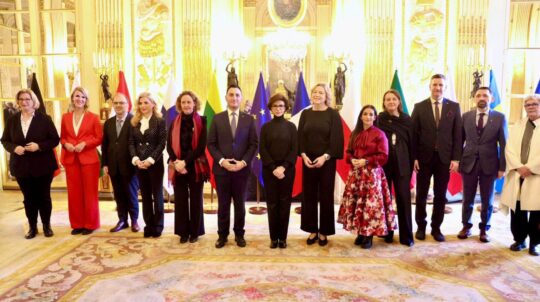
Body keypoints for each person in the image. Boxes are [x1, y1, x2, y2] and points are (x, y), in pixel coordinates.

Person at [1, 89, 59, 239]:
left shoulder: (45, 119)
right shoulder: (12, 120)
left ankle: (47, 226)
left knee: (44, 197)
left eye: (27, 99)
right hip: (21, 167)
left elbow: (54, 139)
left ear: (34, 102)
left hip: (43, 166)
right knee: (29, 198)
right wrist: (14, 148)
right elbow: (4, 140)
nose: (24, 102)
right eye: (21, 99)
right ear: (18, 102)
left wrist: (39, 146)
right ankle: (32, 227)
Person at [411, 74, 462, 242]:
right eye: (434, 84)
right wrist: (414, 157)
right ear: (430, 86)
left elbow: (457, 135)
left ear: (445, 87)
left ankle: (436, 228)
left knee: (441, 195)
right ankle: (420, 227)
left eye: (440, 85)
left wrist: (456, 159)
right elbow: (413, 135)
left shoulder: (454, 107)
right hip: (424, 158)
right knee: (421, 195)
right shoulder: (419, 107)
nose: (437, 88)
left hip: (444, 159)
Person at [338, 105, 396, 249]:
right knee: (358, 203)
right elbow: (348, 152)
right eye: (365, 114)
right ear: (361, 116)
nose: (368, 117)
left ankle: (369, 235)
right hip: (356, 174)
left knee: (370, 205)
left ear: (375, 117)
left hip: (372, 174)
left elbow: (384, 156)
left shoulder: (379, 134)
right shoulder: (355, 133)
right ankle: (360, 232)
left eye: (371, 114)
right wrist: (352, 160)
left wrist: (367, 161)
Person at [207, 85, 258, 248]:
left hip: (242, 171)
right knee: (223, 205)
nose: (234, 98)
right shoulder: (217, 118)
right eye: (231, 95)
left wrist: (243, 162)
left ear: (241, 98)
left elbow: (253, 144)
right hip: (222, 170)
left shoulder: (249, 119)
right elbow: (211, 144)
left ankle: (239, 234)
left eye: (237, 95)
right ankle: (222, 236)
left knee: (240, 205)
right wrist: (223, 161)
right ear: (226, 97)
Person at [458, 87, 507, 243]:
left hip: (490, 164)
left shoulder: (500, 117)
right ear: (474, 98)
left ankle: (484, 228)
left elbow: (504, 144)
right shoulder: (465, 116)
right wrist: (457, 161)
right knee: (467, 198)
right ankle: (466, 226)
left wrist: (502, 167)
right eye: (478, 95)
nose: (482, 98)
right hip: (468, 163)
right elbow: (459, 142)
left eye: (485, 95)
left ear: (491, 99)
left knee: (488, 199)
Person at [298, 83, 344, 246]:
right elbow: (300, 138)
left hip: (327, 162)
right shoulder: (305, 114)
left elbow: (337, 139)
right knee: (309, 196)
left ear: (326, 96)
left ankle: (324, 231)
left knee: (325, 196)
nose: (317, 95)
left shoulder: (332, 114)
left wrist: (325, 157)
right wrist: (303, 156)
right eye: (315, 92)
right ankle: (312, 230)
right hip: (308, 161)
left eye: (321, 92)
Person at [167, 91, 209, 244]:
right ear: (180, 105)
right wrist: (177, 162)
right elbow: (169, 146)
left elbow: (201, 147)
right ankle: (183, 232)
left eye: (189, 102)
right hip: (178, 166)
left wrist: (185, 162)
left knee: (196, 199)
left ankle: (195, 232)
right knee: (181, 200)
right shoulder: (174, 122)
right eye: (183, 102)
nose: (186, 105)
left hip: (195, 166)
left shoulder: (202, 121)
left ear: (194, 104)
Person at [500, 94, 540, 256]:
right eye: (527, 104)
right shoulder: (518, 125)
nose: (530, 107)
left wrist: (530, 167)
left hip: (536, 175)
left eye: (534, 104)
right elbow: (509, 148)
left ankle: (535, 243)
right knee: (517, 210)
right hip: (518, 174)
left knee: (537, 211)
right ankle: (520, 239)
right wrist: (518, 167)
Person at [61, 87, 103, 235]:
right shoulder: (65, 117)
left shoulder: (93, 117)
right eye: (77, 96)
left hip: (89, 159)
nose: (80, 99)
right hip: (71, 159)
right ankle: (77, 224)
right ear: (72, 98)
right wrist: (66, 144)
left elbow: (98, 138)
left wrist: (84, 144)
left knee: (90, 193)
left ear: (86, 100)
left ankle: (90, 224)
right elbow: (63, 137)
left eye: (83, 97)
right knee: (74, 193)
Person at [376, 89, 414, 246]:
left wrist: (414, 162)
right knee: (385, 199)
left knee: (403, 199)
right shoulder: (379, 119)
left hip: (403, 163)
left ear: (399, 101)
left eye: (394, 99)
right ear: (384, 103)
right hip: (384, 164)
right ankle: (387, 232)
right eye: (387, 99)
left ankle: (406, 236)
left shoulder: (407, 120)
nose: (391, 102)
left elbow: (413, 143)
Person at [260, 93, 298, 249]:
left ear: (286, 107)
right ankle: (273, 237)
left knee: (284, 204)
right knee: (272, 204)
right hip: (269, 171)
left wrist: (284, 167)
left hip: (287, 170)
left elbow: (294, 148)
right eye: (275, 106)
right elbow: (262, 149)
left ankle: (282, 238)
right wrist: (273, 168)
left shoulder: (291, 127)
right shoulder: (265, 127)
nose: (278, 108)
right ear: (270, 108)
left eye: (281, 105)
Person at [129, 92, 167, 238]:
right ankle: (148, 225)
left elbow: (161, 143)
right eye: (141, 103)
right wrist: (136, 159)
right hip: (139, 164)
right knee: (144, 196)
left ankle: (158, 226)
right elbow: (131, 143)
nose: (143, 105)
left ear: (153, 104)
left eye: (146, 102)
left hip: (155, 164)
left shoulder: (160, 121)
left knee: (157, 195)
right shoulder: (134, 122)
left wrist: (150, 160)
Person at [102, 93, 140, 233]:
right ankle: (122, 220)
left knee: (131, 195)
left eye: (122, 103)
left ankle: (135, 221)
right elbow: (105, 145)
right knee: (119, 195)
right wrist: (104, 164)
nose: (118, 105)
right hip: (113, 166)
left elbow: (137, 144)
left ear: (127, 105)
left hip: (130, 166)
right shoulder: (109, 123)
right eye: (116, 103)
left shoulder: (134, 121)